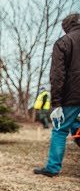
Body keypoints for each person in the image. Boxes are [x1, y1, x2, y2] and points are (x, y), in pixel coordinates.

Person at [34, 13, 80, 177]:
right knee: (76, 125)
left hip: (72, 96)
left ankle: (53, 168)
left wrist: (57, 103)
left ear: (66, 26)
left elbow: (57, 76)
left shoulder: (64, 42)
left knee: (60, 130)